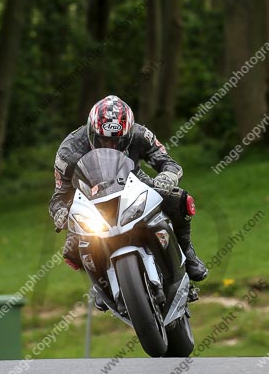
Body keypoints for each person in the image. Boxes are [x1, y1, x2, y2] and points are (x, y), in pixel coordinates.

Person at [48, 95, 208, 304]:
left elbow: (167, 163)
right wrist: (60, 211)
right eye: (103, 139)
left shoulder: (140, 134)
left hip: (133, 184)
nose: (110, 144)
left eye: (117, 140)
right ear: (91, 131)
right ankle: (100, 283)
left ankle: (187, 253)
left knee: (178, 199)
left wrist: (166, 177)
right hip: (91, 197)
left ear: (128, 133)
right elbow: (58, 195)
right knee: (71, 246)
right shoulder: (69, 150)